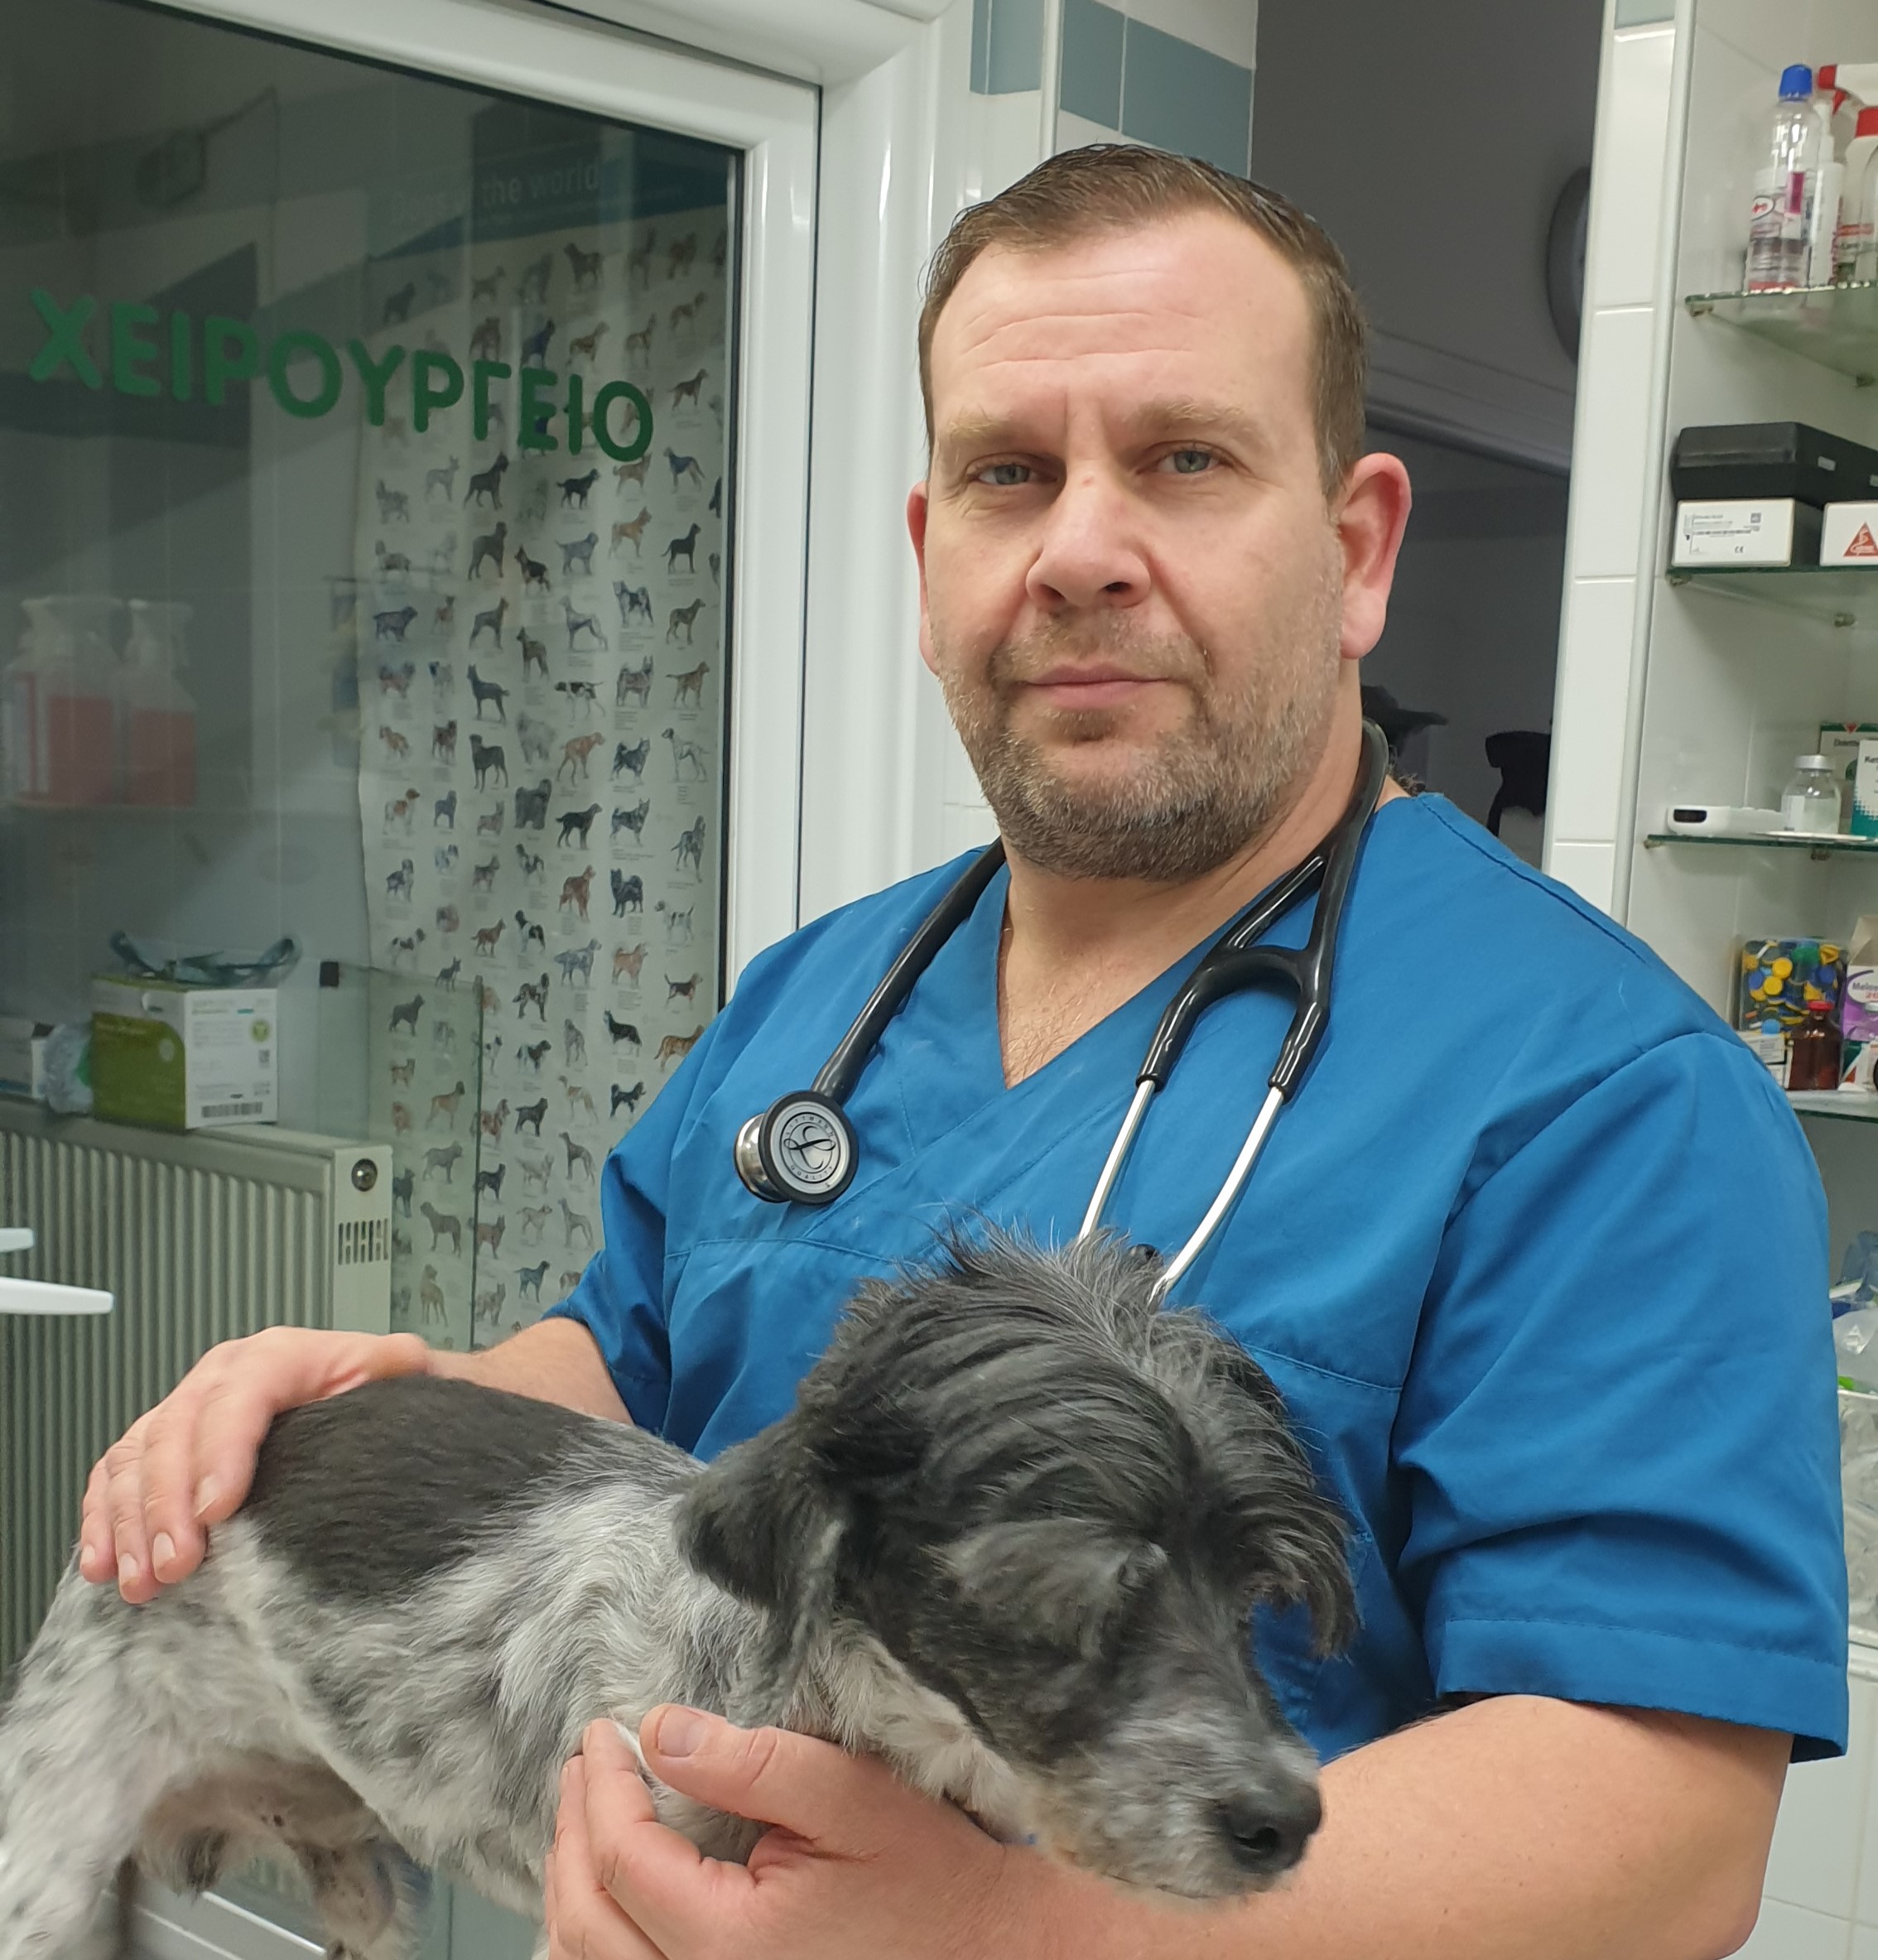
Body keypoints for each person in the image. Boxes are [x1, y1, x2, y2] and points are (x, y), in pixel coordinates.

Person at [79, 147, 1844, 1960]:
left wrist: (1012, 1925)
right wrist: (402, 1405)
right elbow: (631, 1366)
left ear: (1355, 550)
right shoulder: (820, 992)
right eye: (1012, 473)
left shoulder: (1607, 1097)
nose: (1080, 552)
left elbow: (1661, 1824)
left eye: (1185, 458)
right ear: (934, 562)